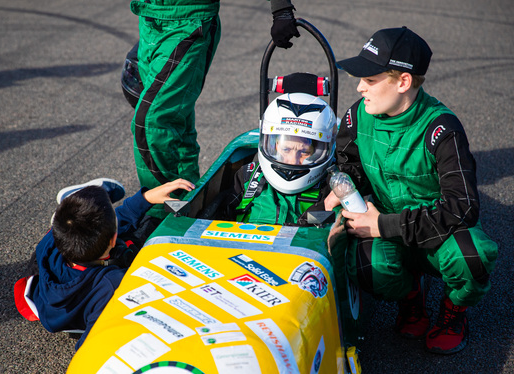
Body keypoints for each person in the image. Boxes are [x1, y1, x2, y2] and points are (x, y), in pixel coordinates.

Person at [324, 27, 498, 354]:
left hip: (440, 233)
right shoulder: (357, 114)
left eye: (370, 80)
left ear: (403, 82)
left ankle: (453, 310)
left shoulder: (442, 128)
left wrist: (383, 225)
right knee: (362, 263)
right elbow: (349, 162)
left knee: (473, 259)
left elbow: (462, 208)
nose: (360, 87)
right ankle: (410, 298)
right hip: (390, 227)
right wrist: (343, 185)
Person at [126, 0, 300, 219]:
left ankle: (159, 215)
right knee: (177, 123)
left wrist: (281, 9)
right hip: (149, 15)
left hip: (187, 19)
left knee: (151, 123)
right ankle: (185, 210)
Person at [14, 177, 194, 349]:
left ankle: (76, 205)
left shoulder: (52, 240)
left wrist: (145, 198)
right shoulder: (112, 284)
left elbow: (111, 229)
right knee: (137, 238)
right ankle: (82, 200)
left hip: (47, 301)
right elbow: (89, 347)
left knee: (84, 230)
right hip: (84, 313)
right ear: (113, 240)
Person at [225, 92, 337, 225]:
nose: (292, 160)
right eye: (286, 149)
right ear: (275, 146)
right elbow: (219, 214)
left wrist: (307, 221)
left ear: (318, 152)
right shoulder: (248, 176)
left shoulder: (331, 186)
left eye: (304, 152)